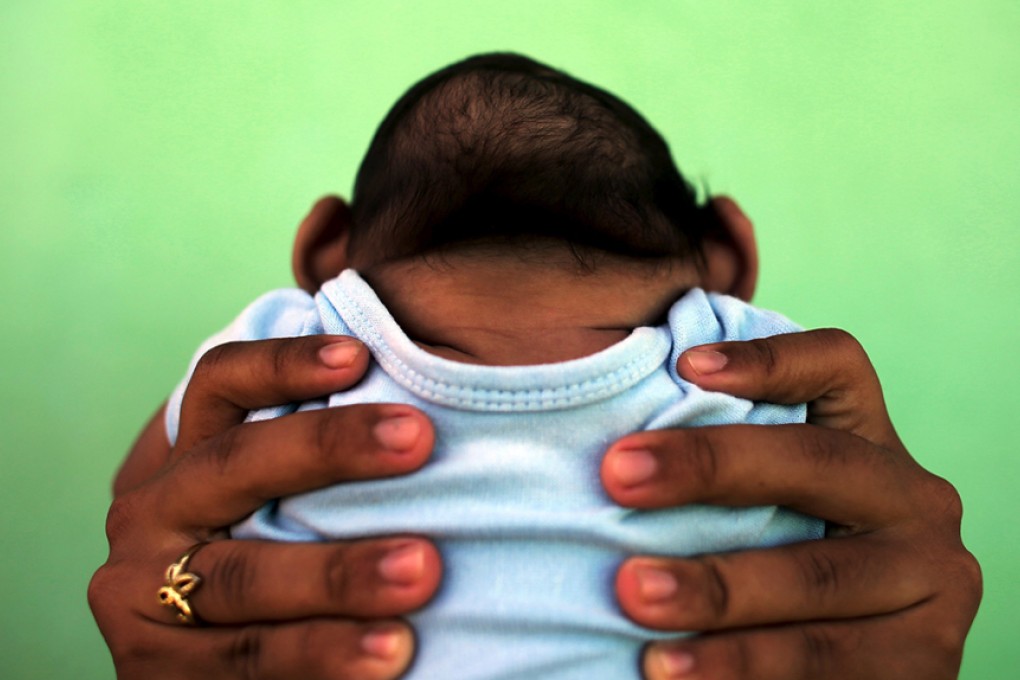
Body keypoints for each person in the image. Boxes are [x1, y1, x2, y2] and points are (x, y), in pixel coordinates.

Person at [90, 55, 982, 679]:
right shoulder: (753, 359)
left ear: (329, 250)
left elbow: (142, 510)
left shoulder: (286, 345)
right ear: (728, 258)